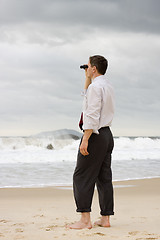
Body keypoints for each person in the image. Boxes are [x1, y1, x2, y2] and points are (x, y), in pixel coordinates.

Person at [69, 55, 115, 229]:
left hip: (94, 134)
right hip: (107, 135)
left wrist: (85, 139)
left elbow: (92, 114)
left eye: (87, 66)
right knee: (104, 177)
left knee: (81, 176)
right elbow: (87, 98)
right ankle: (105, 218)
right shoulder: (107, 85)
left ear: (94, 68)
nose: (86, 69)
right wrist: (87, 79)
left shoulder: (96, 88)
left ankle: (85, 220)